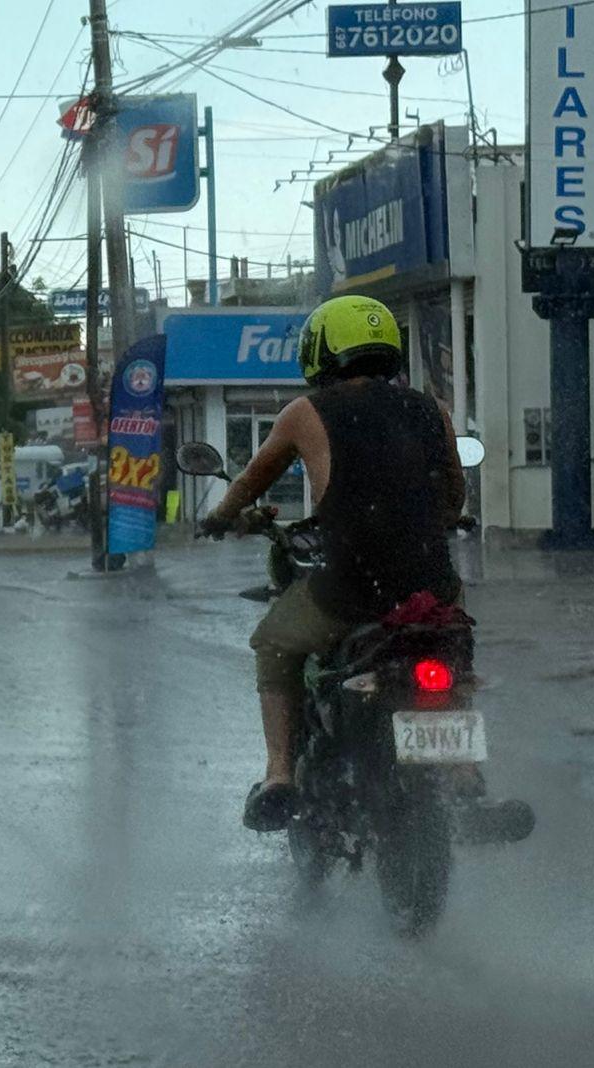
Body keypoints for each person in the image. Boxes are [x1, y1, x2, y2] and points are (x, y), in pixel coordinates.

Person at [198, 296, 465, 832]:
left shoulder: (305, 413)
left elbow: (252, 481)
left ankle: (279, 777)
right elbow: (454, 498)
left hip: (353, 587)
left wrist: (220, 518)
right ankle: (468, 782)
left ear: (321, 349)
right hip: (432, 589)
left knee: (274, 643)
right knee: (455, 659)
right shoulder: (432, 409)